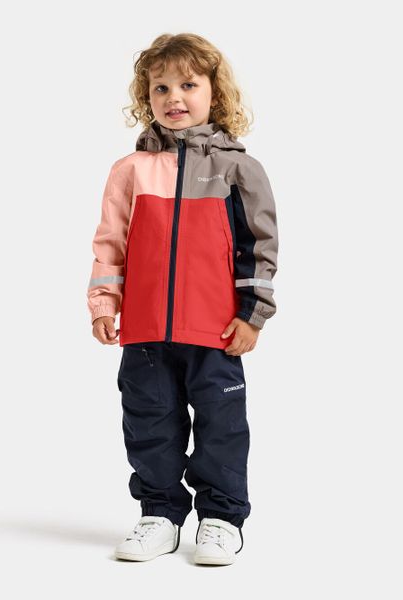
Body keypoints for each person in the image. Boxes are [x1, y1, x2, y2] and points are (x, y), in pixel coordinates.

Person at [87, 33, 279, 566]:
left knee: (222, 427)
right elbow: (110, 242)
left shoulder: (239, 169)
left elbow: (259, 246)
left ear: (215, 92)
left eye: (188, 84)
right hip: (144, 330)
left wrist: (252, 315)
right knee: (149, 423)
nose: (174, 96)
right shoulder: (130, 170)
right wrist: (104, 303)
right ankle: (160, 514)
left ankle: (221, 519)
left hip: (215, 330)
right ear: (145, 97)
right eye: (161, 87)